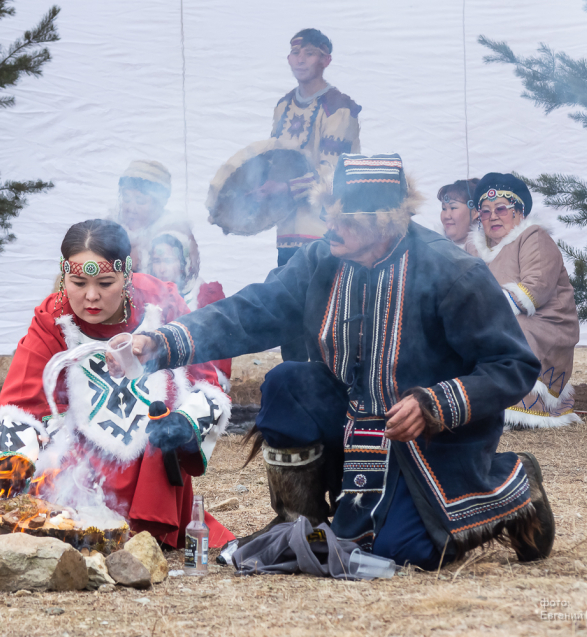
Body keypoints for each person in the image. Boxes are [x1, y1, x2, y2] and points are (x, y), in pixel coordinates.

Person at [123, 154, 555, 568]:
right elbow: (254, 309)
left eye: (344, 220)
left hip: (429, 438)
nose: (330, 228)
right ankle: (299, 522)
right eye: (329, 214)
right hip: (351, 417)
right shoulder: (321, 259)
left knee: (405, 551)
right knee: (287, 383)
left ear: (384, 225)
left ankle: (515, 483)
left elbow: (513, 365)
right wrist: (162, 341)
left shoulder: (454, 272)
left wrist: (434, 404)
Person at [0, 219, 235, 548]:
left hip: (152, 452)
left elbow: (207, 381)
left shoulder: (160, 301)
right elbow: (21, 403)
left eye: (105, 283)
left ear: (126, 276)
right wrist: (14, 462)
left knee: (158, 425)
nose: (91, 296)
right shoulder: (53, 317)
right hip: (77, 461)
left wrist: (184, 424)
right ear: (64, 277)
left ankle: (150, 523)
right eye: (77, 282)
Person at [466, 174, 581, 430]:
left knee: (508, 332)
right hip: (498, 318)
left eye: (501, 209)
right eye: (485, 212)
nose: (493, 216)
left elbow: (535, 289)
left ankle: (507, 405)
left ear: (519, 212)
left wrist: (484, 313)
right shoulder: (473, 248)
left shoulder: (534, 236)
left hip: (544, 325)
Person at [253, 28, 361, 268]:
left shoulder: (338, 107)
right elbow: (275, 158)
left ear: (326, 61)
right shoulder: (283, 105)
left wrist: (284, 187)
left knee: (320, 304)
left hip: (326, 234)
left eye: (310, 53)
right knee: (288, 302)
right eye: (295, 52)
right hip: (287, 234)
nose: (300, 59)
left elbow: (334, 173)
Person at [148, 231, 233, 384]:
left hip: (199, 374)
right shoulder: (145, 295)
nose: (161, 269)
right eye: (157, 261)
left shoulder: (205, 295)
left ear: (183, 263)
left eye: (168, 260)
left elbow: (220, 346)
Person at [111, 160, 190, 273]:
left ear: (160, 203)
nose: (131, 208)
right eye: (126, 198)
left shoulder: (174, 235)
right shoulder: (109, 228)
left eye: (140, 201)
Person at [437, 178, 479, 249]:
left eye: (453, 208)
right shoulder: (431, 247)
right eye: (444, 208)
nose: (446, 216)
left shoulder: (488, 253)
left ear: (475, 212)